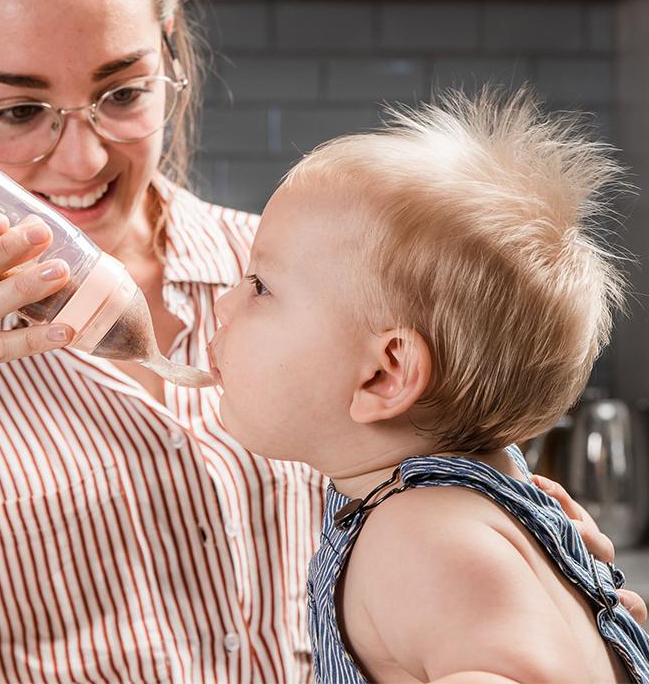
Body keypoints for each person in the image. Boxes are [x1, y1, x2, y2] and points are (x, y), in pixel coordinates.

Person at [0, 0, 640, 681]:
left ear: (167, 51)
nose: (82, 160)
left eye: (122, 93)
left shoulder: (329, 277)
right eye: (19, 110)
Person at [207, 89, 649, 683]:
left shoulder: (417, 536)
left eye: (260, 286)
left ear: (384, 374)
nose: (223, 301)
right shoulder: (487, 498)